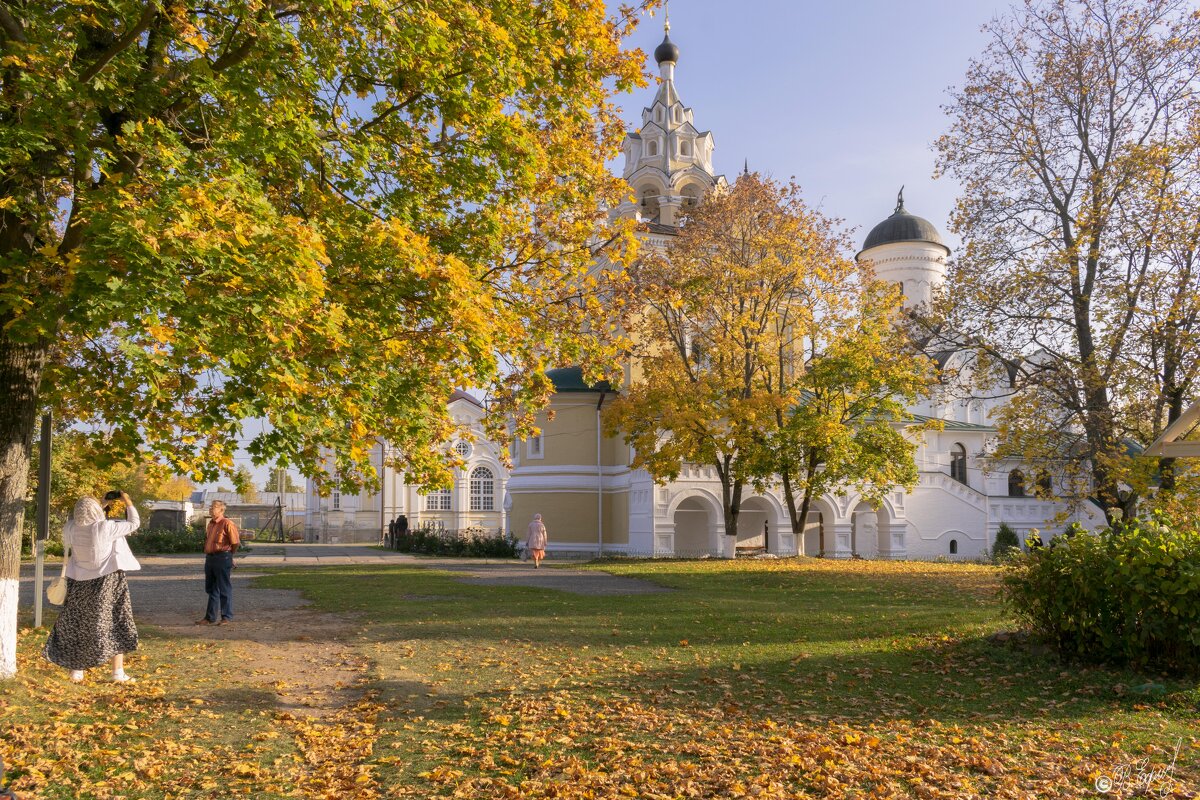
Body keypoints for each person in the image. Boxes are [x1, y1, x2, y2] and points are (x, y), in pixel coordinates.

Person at [44, 493, 141, 683]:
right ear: (96, 511)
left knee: (78, 624)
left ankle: (77, 671)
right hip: (108, 580)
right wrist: (127, 501)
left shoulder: (71, 528)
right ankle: (117, 672)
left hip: (79, 582)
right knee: (115, 621)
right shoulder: (105, 528)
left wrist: (102, 503)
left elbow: (83, 518)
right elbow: (133, 523)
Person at [197, 500, 240, 626]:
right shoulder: (210, 524)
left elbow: (235, 542)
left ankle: (226, 617)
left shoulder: (227, 523)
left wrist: (230, 555)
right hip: (210, 558)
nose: (210, 509)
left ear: (221, 510)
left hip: (223, 557)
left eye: (213, 507)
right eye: (210, 507)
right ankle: (210, 617)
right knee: (211, 589)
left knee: (224, 588)